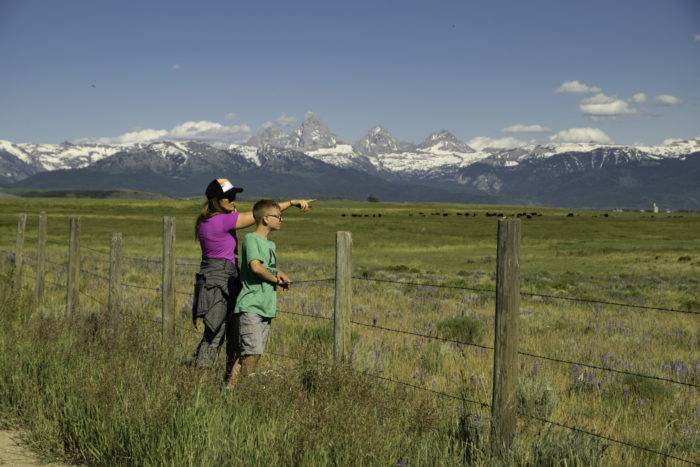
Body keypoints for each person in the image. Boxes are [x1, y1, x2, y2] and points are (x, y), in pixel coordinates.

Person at [191, 178, 312, 370]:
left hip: (215, 277)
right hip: (221, 279)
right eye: (228, 197)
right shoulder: (221, 221)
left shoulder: (207, 220)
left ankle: (222, 383)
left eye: (234, 195)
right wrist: (291, 202)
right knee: (215, 334)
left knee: (224, 333)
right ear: (216, 200)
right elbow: (259, 215)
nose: (233, 200)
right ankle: (197, 380)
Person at [225, 199, 292, 387]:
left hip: (266, 305)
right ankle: (245, 389)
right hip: (251, 304)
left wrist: (280, 274)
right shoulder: (251, 239)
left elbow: (268, 267)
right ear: (265, 219)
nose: (281, 220)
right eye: (278, 216)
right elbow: (256, 267)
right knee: (253, 352)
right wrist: (275, 280)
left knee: (249, 352)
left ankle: (230, 390)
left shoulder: (270, 245)